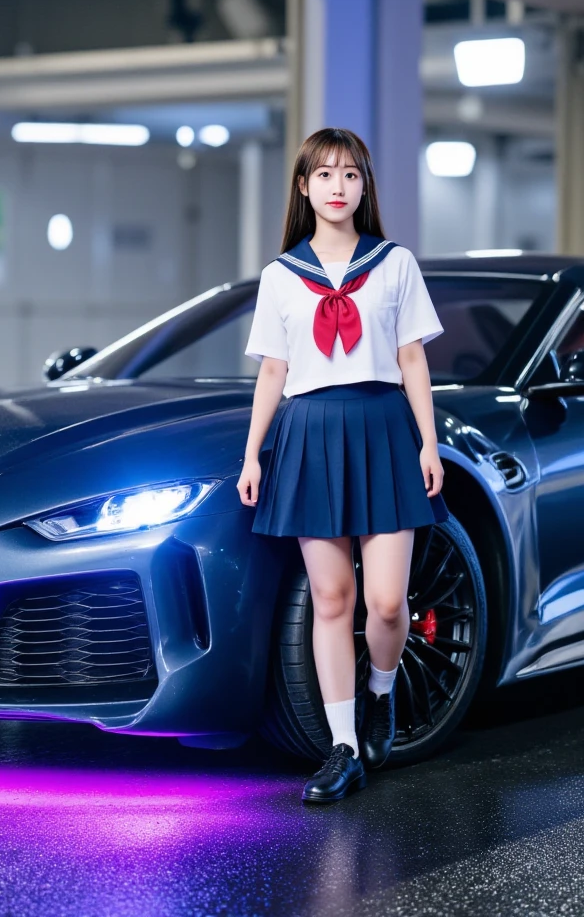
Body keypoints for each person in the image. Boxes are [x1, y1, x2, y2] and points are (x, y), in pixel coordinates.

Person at [237, 127, 449, 805]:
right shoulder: (279, 277)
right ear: (303, 188)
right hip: (309, 430)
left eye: (350, 175)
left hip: (384, 426)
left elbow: (412, 357)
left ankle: (382, 693)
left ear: (364, 187)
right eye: (324, 175)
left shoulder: (395, 265)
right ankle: (343, 746)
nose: (338, 186)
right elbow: (275, 369)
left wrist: (428, 441)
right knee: (332, 599)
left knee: (386, 602)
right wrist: (252, 453)